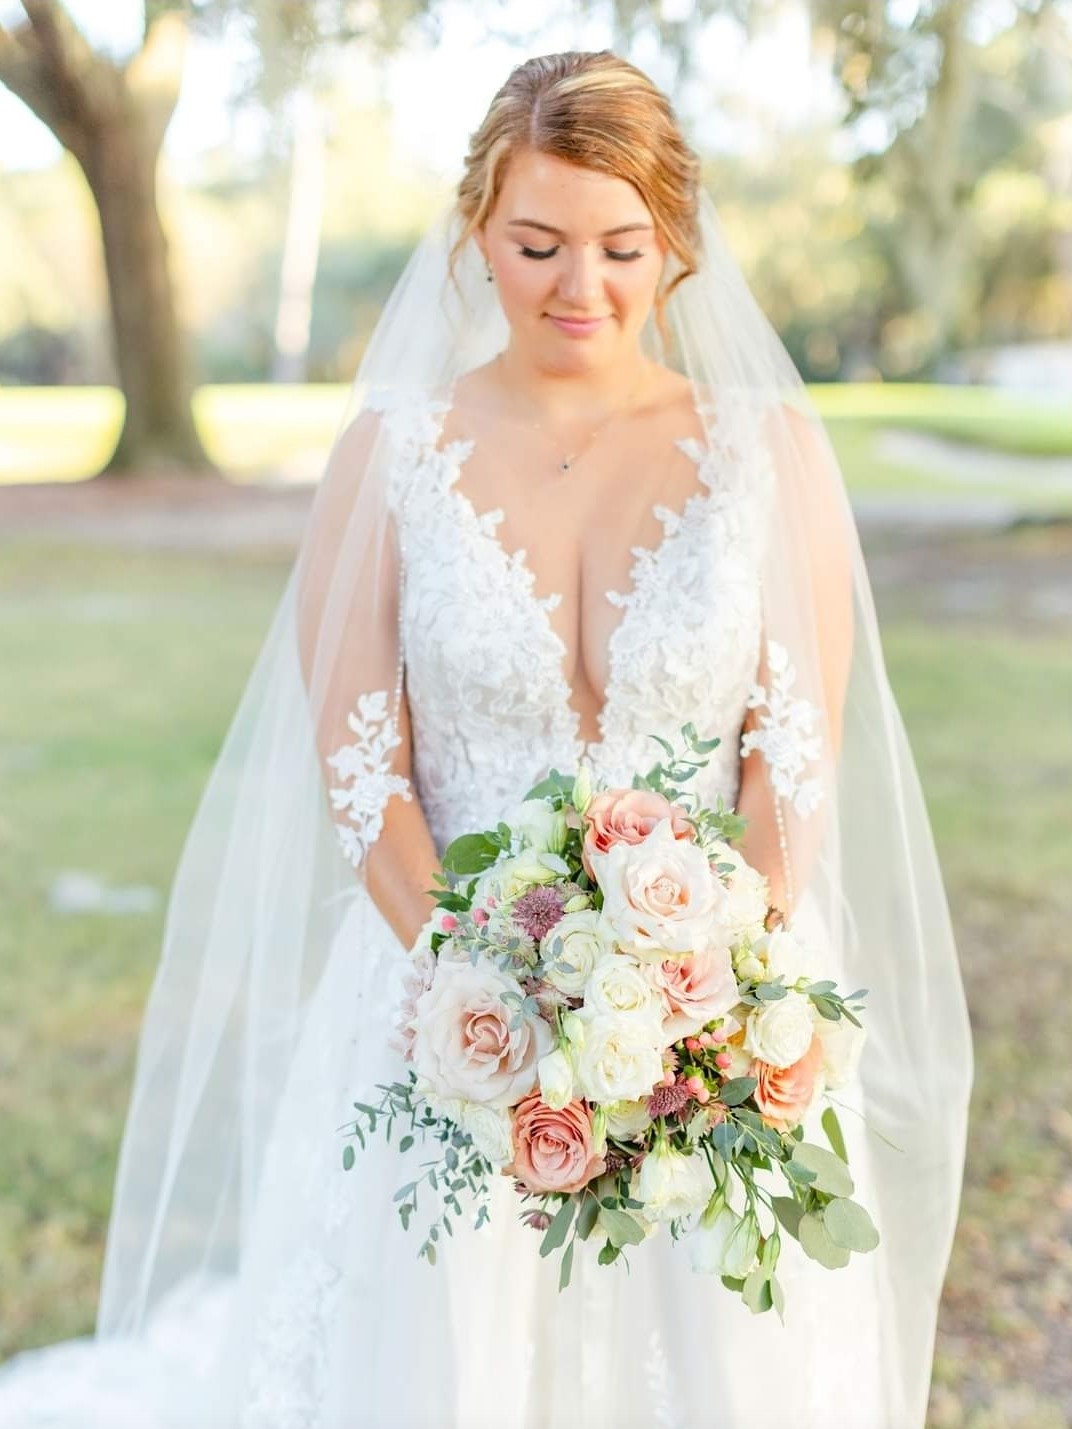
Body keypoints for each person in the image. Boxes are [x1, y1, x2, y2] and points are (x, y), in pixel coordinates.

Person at [0, 49, 972, 1429]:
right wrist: (490, 993)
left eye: (622, 246)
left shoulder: (771, 455)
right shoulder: (392, 454)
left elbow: (790, 765)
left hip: (713, 1014)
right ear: (477, 238)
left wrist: (701, 1002)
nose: (582, 288)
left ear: (677, 243)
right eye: (538, 244)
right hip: (436, 1008)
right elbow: (359, 771)